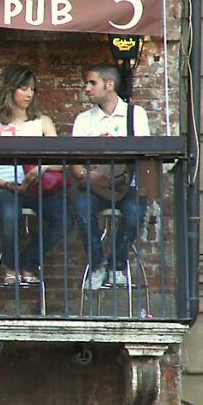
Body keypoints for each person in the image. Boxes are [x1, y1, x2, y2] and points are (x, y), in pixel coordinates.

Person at [0, 64, 67, 286]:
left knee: (65, 218)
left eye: (33, 89)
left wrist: (41, 169)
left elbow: (60, 163)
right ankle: (10, 266)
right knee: (10, 216)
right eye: (24, 88)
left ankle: (28, 262)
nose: (29, 94)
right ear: (11, 90)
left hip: (39, 187)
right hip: (6, 187)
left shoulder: (42, 121)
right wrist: (8, 185)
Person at [70, 62, 151, 289]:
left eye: (92, 83)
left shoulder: (135, 115)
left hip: (127, 184)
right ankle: (97, 265)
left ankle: (117, 264)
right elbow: (76, 168)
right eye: (86, 83)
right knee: (81, 207)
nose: (87, 88)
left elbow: (144, 153)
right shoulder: (84, 120)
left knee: (135, 212)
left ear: (109, 84)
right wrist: (91, 175)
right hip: (95, 186)